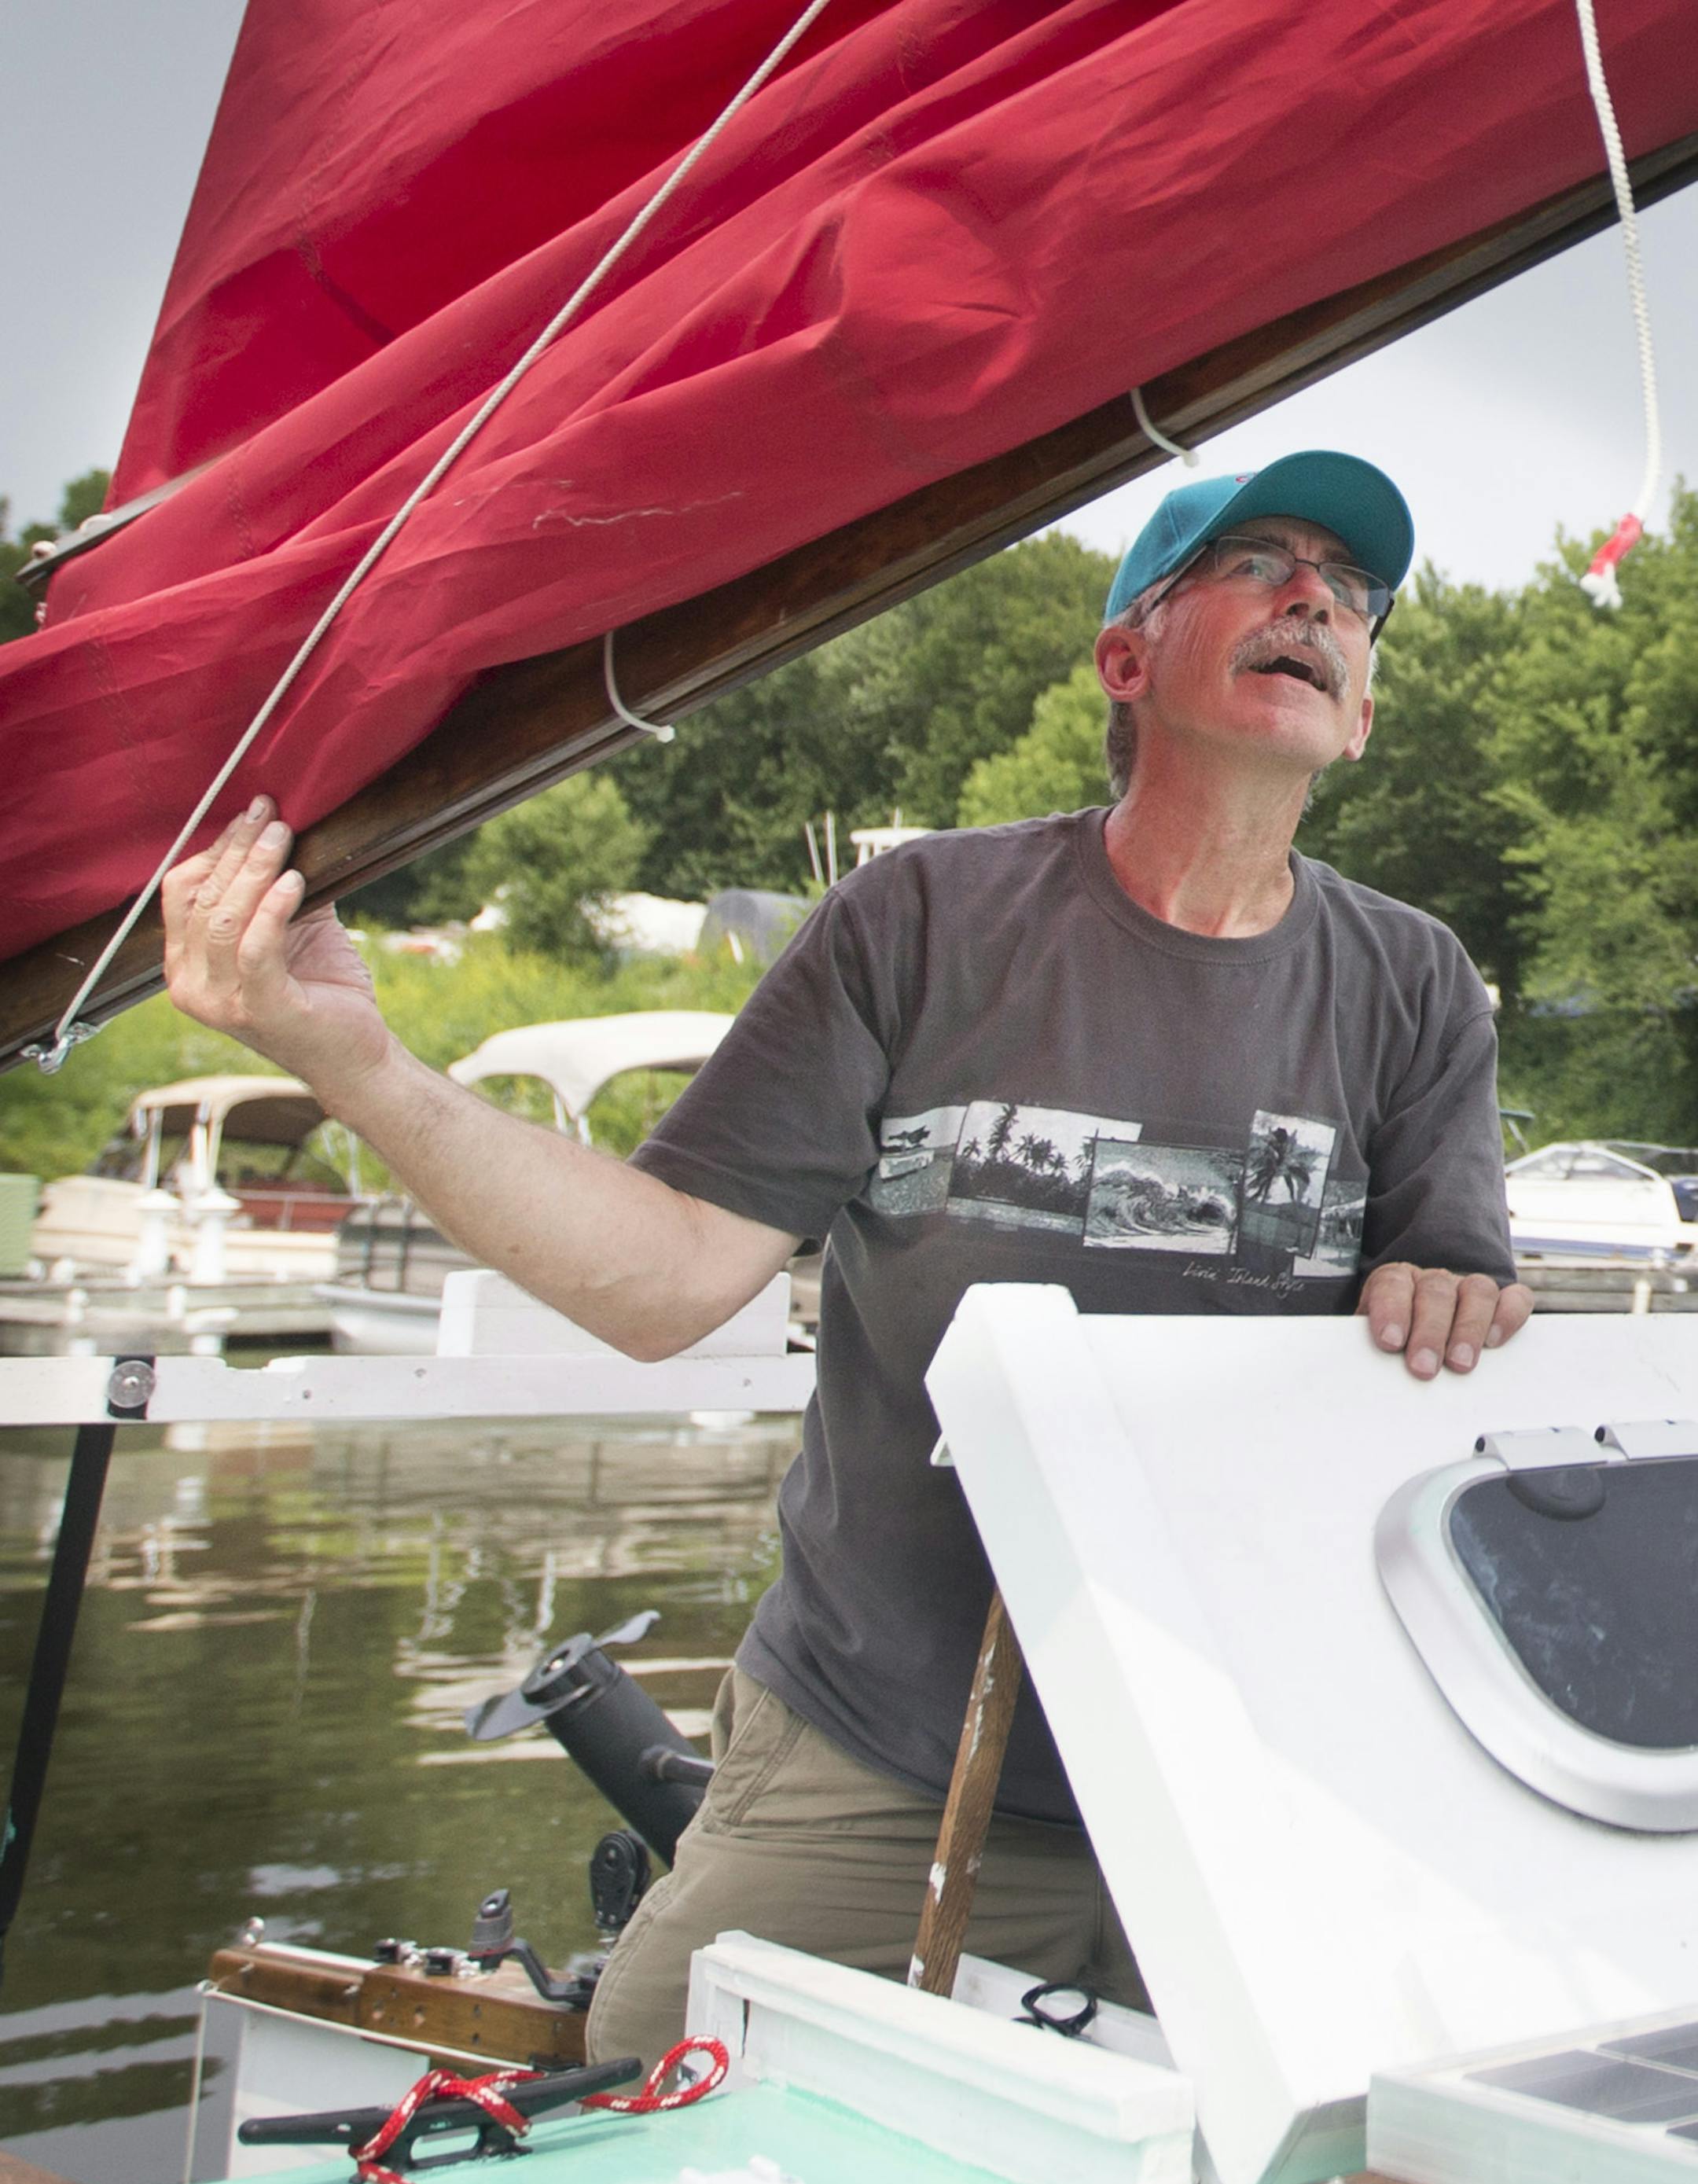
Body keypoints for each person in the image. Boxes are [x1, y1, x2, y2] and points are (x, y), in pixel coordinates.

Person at [162, 449, 1531, 2065]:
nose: (1313, 598)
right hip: (877, 1757)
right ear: (1125, 659)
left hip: (1246, 1785)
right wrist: (355, 1064)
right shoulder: (919, 921)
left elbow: (1446, 1347)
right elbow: (667, 1280)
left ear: (1360, 716)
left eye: (1350, 592)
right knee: (637, 2102)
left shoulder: (1415, 986)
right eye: (1255, 563)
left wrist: (1455, 1304)